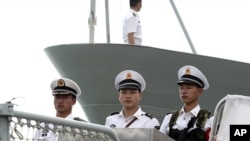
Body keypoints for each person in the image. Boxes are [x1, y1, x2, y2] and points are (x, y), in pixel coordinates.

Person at [160, 65, 213, 141]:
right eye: (181, 88)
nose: (183, 91)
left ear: (200, 91)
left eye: (189, 88)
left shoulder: (208, 121)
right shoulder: (170, 118)